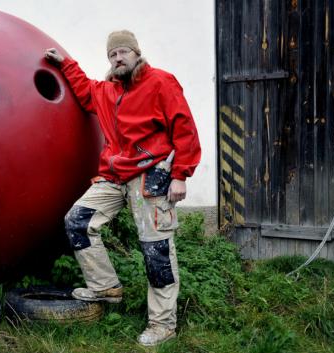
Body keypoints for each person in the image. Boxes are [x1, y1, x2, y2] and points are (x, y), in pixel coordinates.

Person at [44, 30, 201, 346]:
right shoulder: (106, 92)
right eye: (112, 54)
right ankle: (105, 286)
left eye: (123, 52)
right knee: (78, 221)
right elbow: (84, 88)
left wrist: (181, 174)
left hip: (151, 175)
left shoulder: (161, 82)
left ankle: (162, 324)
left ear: (136, 53)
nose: (118, 58)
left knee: (155, 250)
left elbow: (184, 127)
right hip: (114, 175)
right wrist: (65, 63)